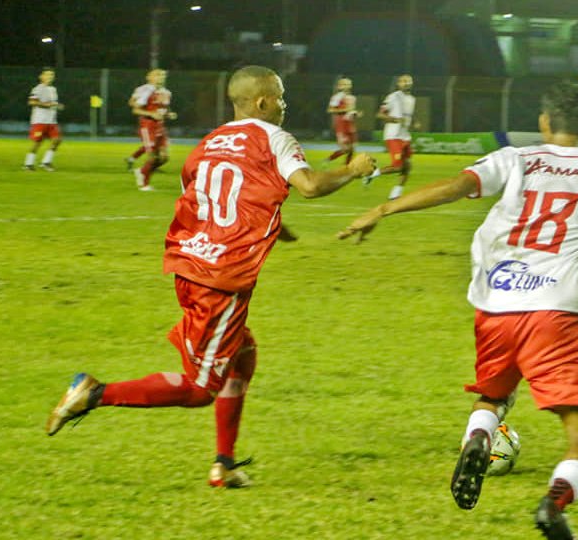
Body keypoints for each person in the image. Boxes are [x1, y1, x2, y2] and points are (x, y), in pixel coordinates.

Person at [46, 65, 376, 488]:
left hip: (191, 263)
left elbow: (205, 192)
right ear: (262, 102)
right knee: (200, 389)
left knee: (243, 353)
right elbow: (309, 185)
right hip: (222, 277)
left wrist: (274, 224)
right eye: (280, 96)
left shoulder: (211, 141)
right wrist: (354, 169)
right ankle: (94, 392)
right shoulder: (275, 138)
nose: (285, 103)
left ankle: (224, 464)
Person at [339, 81, 578, 540]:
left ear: (544, 122)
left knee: (495, 389)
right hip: (555, 313)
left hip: (496, 306)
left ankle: (480, 435)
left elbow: (455, 187)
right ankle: (555, 504)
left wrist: (383, 209)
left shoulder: (514, 158)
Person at [129, 69, 177, 191]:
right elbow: (135, 109)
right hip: (147, 126)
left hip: (160, 127)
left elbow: (163, 109)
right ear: (149, 77)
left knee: (164, 157)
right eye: (157, 75)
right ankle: (144, 184)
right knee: (152, 157)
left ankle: (142, 171)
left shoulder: (166, 92)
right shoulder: (145, 90)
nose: (161, 77)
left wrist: (169, 114)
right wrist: (151, 114)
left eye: (163, 75)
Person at [371, 74, 418, 200]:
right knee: (397, 166)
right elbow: (380, 115)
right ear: (398, 83)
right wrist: (395, 119)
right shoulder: (393, 97)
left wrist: (414, 123)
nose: (406, 83)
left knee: (407, 166)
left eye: (409, 81)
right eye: (403, 81)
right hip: (393, 135)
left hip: (405, 136)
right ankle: (372, 174)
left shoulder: (412, 99)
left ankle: (396, 192)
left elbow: (408, 116)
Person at [23, 68, 63, 172]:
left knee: (57, 140)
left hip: (51, 121)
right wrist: (46, 105)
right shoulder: (38, 88)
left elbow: (52, 104)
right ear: (41, 77)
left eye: (52, 75)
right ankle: (28, 164)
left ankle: (46, 162)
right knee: (37, 143)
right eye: (47, 75)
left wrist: (57, 106)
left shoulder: (53, 89)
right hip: (40, 121)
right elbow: (32, 102)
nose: (50, 77)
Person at [325, 76, 361, 165]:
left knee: (352, 149)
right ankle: (328, 160)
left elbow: (350, 111)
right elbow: (330, 110)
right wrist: (345, 110)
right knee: (345, 149)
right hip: (341, 126)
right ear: (339, 86)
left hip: (351, 126)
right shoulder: (337, 97)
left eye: (349, 84)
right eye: (344, 84)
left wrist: (355, 113)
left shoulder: (352, 97)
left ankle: (347, 167)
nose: (347, 86)